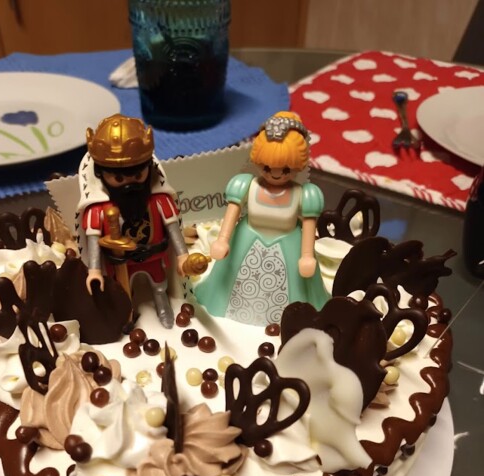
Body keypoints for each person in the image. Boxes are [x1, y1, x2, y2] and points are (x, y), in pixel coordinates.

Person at [194, 111, 330, 326]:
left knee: (294, 291)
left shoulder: (304, 194)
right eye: (267, 167)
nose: (276, 174)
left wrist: (306, 256)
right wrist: (223, 240)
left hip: (289, 245)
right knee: (229, 284)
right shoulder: (246, 185)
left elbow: (308, 224)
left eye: (286, 169)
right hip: (245, 242)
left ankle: (286, 320)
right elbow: (232, 212)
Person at [77, 114, 189, 328]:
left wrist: (183, 256)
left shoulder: (160, 201)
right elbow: (92, 239)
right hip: (119, 264)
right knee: (122, 292)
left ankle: (162, 304)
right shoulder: (97, 210)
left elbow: (173, 228)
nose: (129, 184)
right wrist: (94, 270)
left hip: (153, 256)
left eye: (137, 176)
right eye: (118, 178)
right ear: (101, 174)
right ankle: (127, 314)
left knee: (159, 285)